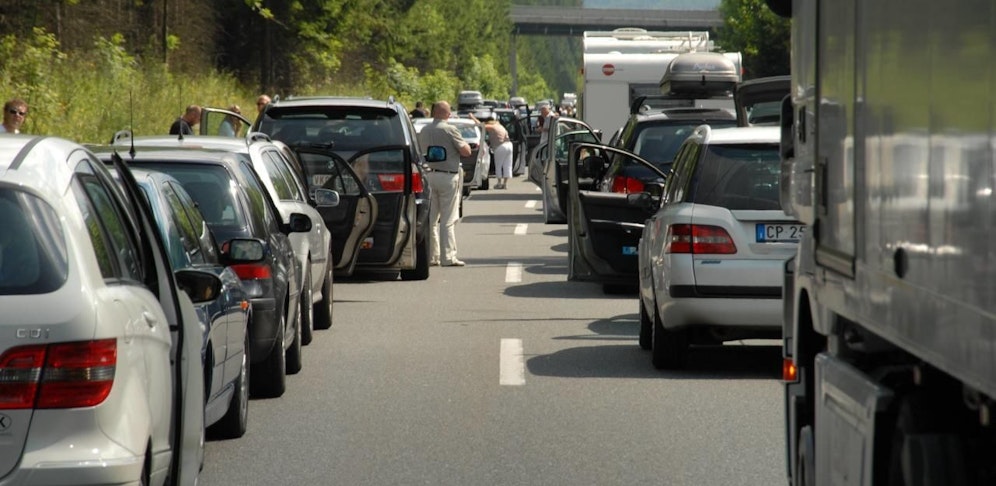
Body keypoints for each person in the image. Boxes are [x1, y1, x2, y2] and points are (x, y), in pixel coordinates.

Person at [417, 101, 471, 267]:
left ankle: (433, 256)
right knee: (448, 218)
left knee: (431, 219)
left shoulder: (424, 130)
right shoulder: (450, 129)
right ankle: (448, 257)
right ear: (447, 113)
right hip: (448, 176)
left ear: (433, 112)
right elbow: (466, 151)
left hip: (428, 176)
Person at [472, 113, 512, 189]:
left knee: (499, 165)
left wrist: (472, 117)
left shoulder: (492, 126)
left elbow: (480, 125)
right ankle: (505, 183)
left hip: (500, 146)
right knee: (507, 165)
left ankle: (499, 183)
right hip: (509, 145)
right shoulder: (500, 126)